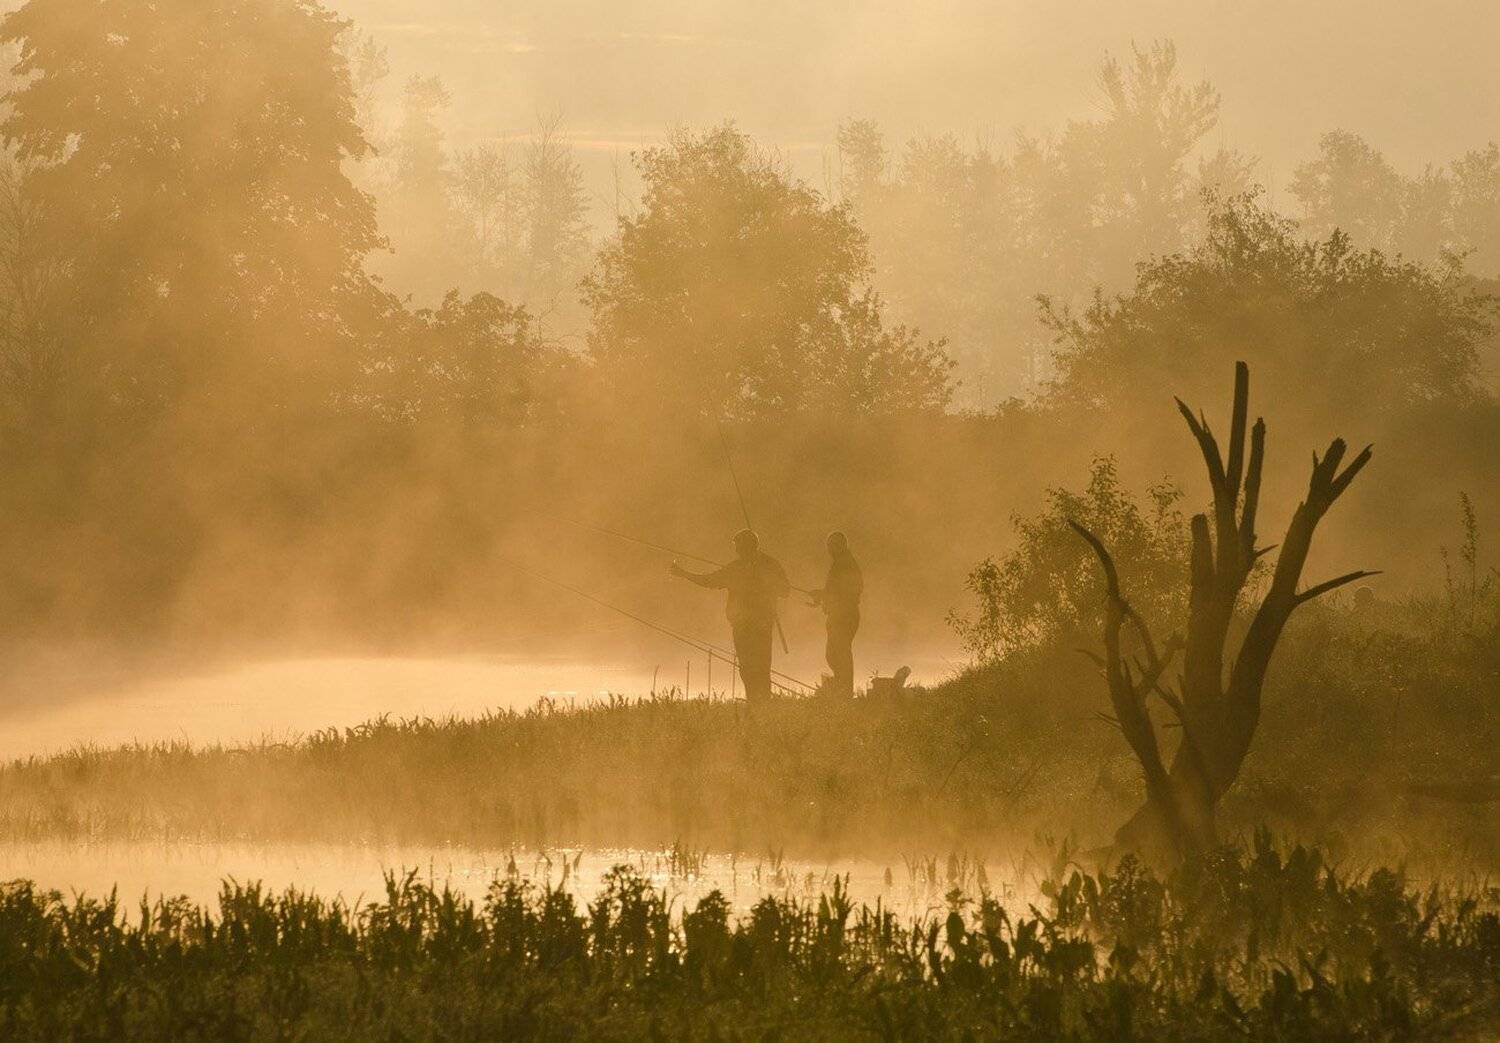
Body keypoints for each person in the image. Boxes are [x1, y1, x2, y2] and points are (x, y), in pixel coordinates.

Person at [670, 529, 790, 704]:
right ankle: (757, 704)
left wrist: (683, 574)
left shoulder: (764, 566)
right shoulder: (743, 567)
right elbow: (710, 581)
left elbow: (785, 590)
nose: (736, 551)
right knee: (750, 667)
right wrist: (685, 574)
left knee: (758, 666)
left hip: (758, 624)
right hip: (746, 625)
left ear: (746, 546)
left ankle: (761, 705)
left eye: (738, 546)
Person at [810, 531, 863, 697]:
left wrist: (823, 595)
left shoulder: (845, 564)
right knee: (835, 653)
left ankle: (844, 691)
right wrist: (822, 597)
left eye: (832, 546)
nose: (829, 549)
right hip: (839, 615)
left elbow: (847, 591)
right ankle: (841, 687)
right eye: (828, 546)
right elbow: (836, 591)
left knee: (839, 653)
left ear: (841, 546)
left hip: (844, 616)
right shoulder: (841, 563)